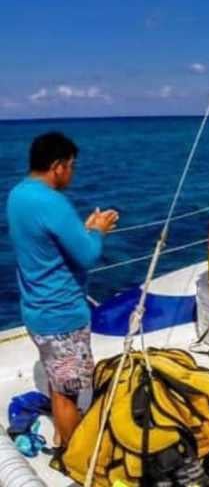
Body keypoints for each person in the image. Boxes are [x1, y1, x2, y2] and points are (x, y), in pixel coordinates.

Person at [6, 132, 119, 447]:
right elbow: (88, 254)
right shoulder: (53, 202)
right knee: (68, 393)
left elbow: (49, 243)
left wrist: (81, 230)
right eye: (71, 166)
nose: (73, 172)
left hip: (36, 311)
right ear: (57, 166)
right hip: (62, 318)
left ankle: (60, 434)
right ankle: (73, 457)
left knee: (58, 384)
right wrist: (98, 231)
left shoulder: (17, 195)